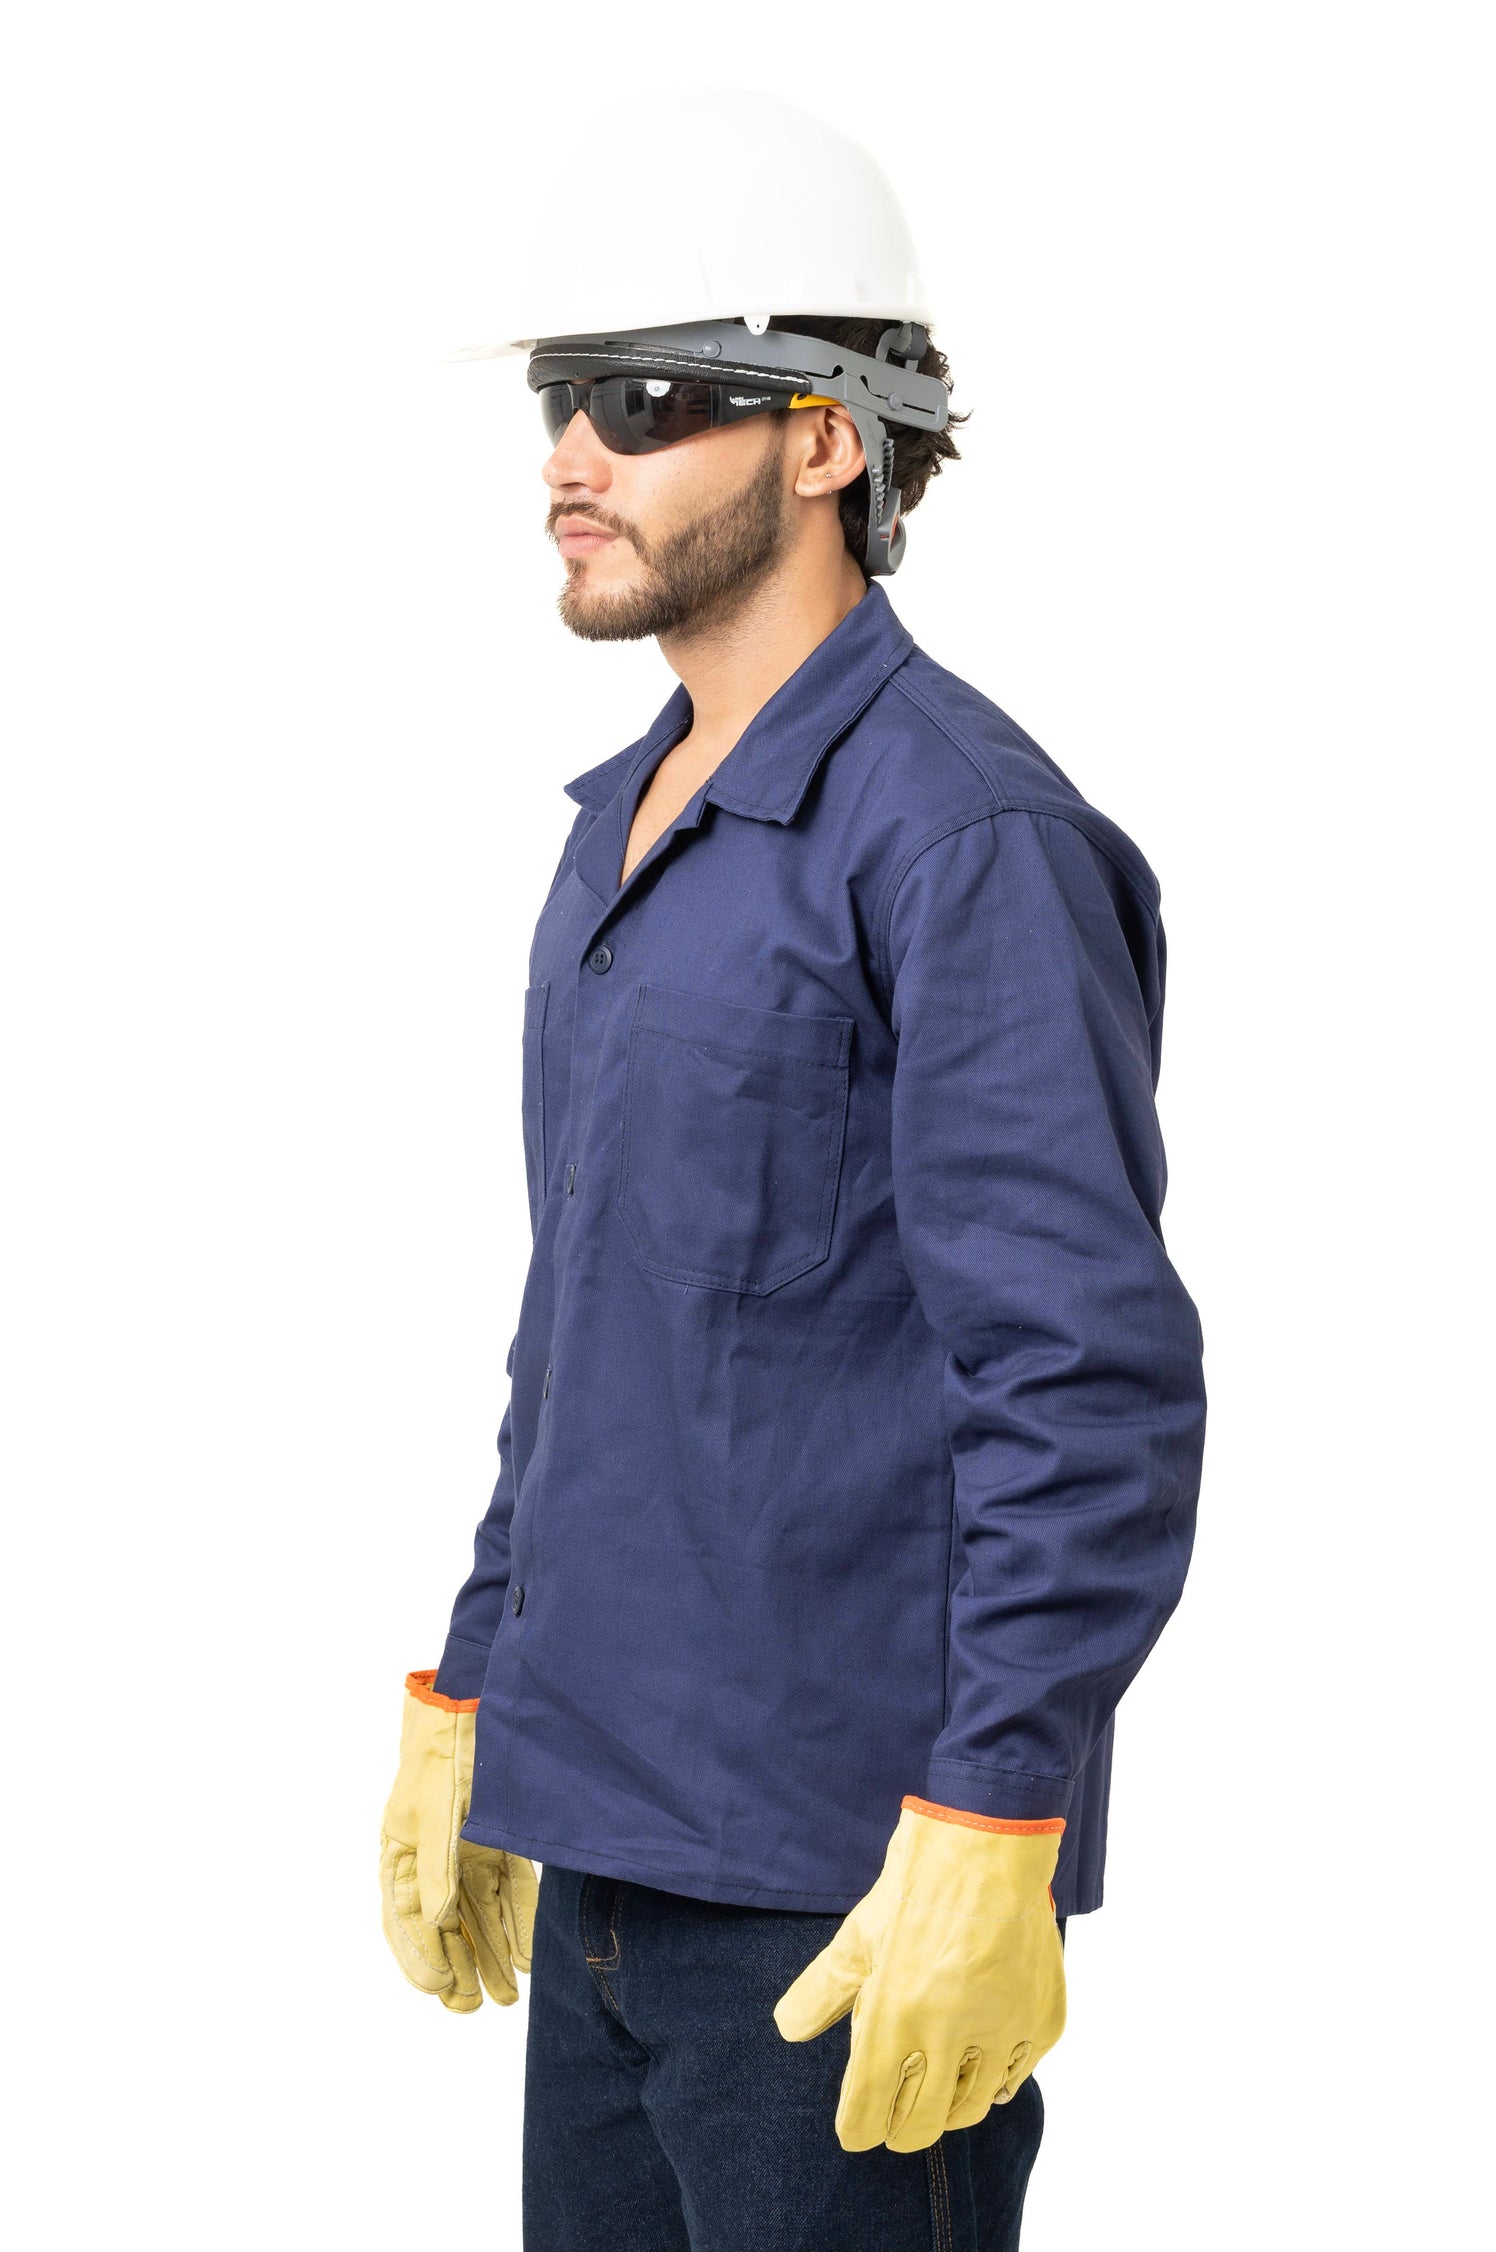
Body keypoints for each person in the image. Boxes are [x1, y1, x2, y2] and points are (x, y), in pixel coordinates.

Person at [378, 92, 1206, 2252]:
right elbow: (586, 1337)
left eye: (648, 400)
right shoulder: (623, 832)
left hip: (840, 1899)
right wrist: (477, 1681)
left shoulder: (963, 844)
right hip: (602, 1850)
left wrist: (998, 1811)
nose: (575, 459)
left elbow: (1086, 1384)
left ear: (830, 441)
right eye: (563, 400)